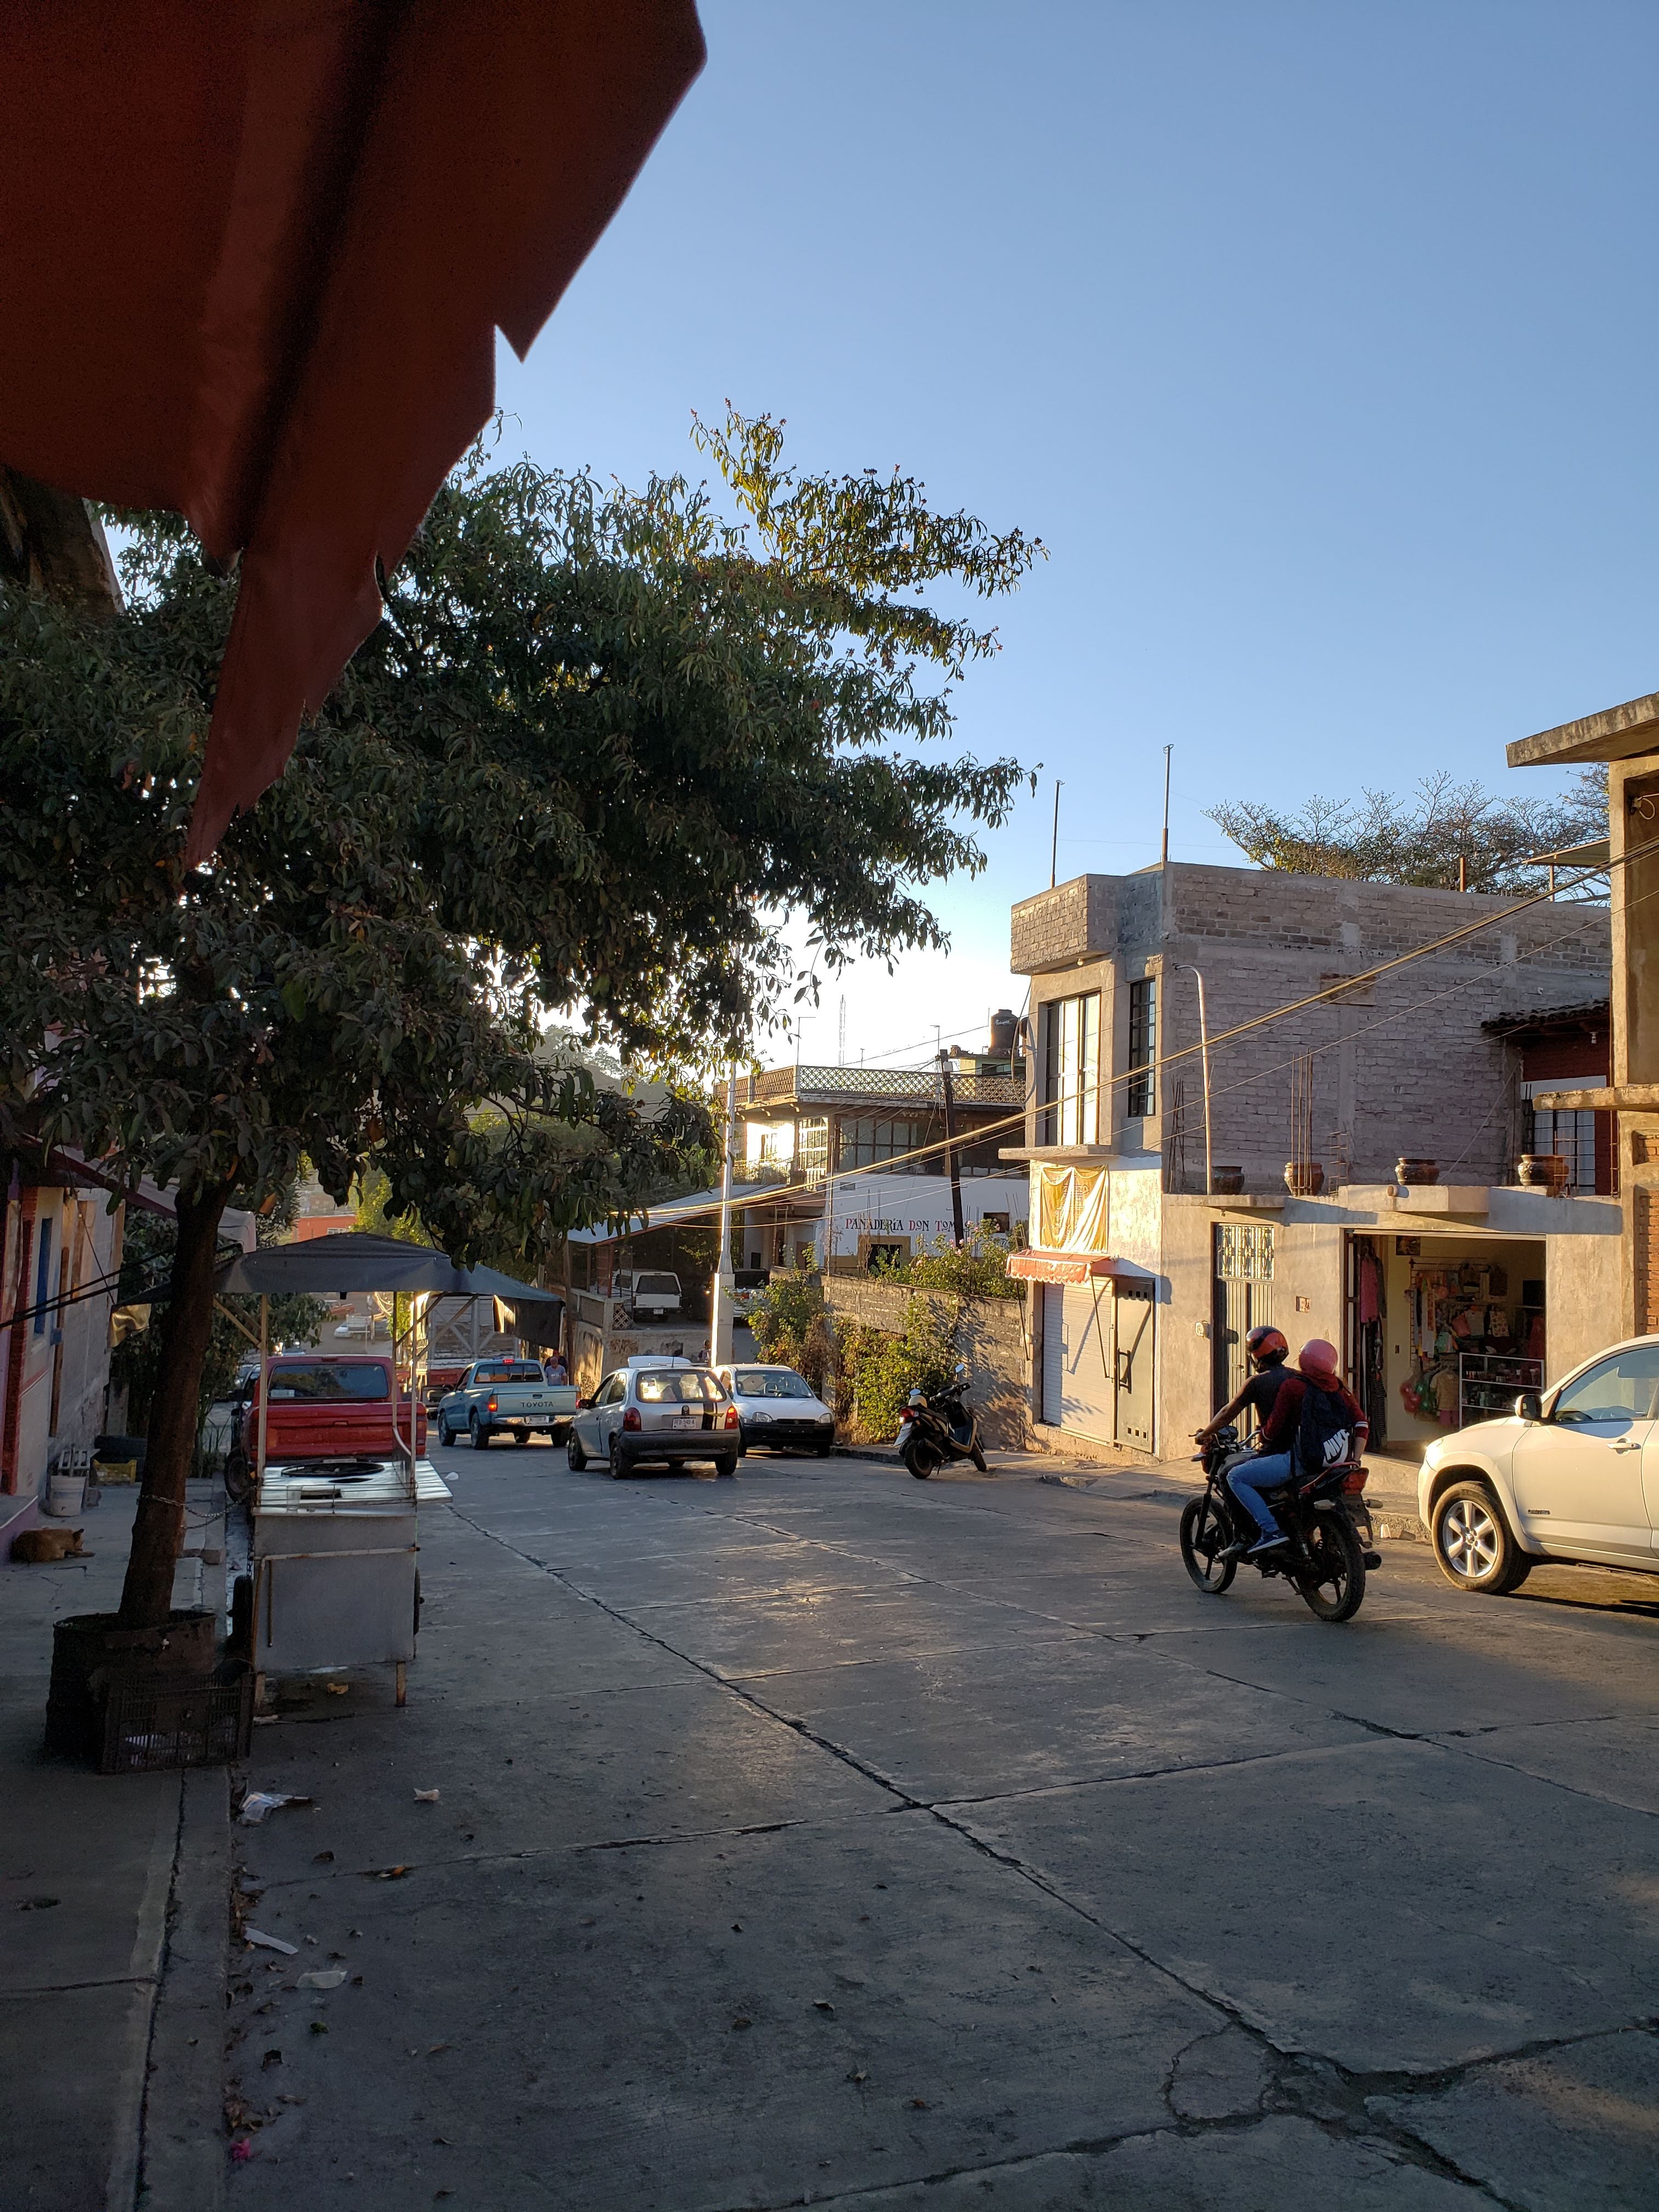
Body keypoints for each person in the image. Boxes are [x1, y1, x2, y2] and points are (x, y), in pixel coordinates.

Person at [1223, 1338, 1368, 1560]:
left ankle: (1270, 1531)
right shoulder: (1340, 1388)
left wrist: (1262, 1435)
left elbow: (1272, 1429)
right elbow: (1361, 1425)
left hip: (1301, 1464)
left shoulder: (1294, 1386)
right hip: (1337, 1467)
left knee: (1236, 1477)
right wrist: (1354, 1459)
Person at [1195, 1325, 1293, 1448]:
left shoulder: (1257, 1382)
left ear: (1256, 1355)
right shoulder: (1296, 1375)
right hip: (1300, 1452)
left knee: (1235, 1468)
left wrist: (1205, 1434)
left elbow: (1227, 1413)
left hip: (1276, 1451)